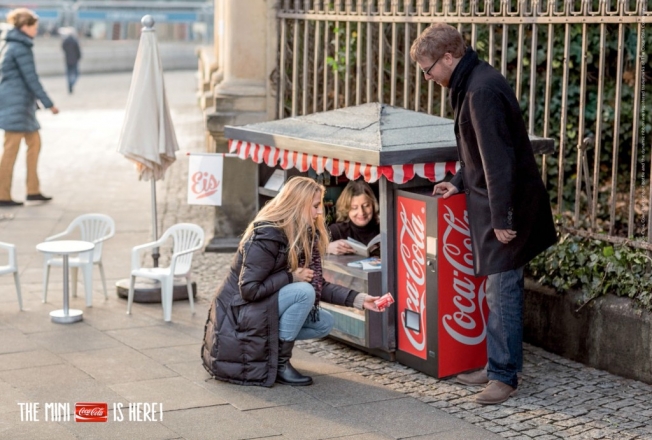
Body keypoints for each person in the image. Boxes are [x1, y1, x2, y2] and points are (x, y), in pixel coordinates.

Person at [410, 24, 556, 405]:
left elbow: (499, 161)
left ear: (448, 57)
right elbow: (477, 151)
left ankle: (504, 377)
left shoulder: (480, 89)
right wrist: (457, 182)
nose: (428, 78)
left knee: (501, 290)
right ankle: (498, 368)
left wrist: (503, 218)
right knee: (496, 290)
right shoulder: (472, 82)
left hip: (507, 209)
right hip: (499, 205)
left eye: (428, 70)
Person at [202, 176, 385, 387]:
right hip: (237, 317)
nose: (319, 212)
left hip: (257, 310)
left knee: (324, 322)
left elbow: (318, 284)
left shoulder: (300, 233)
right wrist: (291, 277)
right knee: (303, 291)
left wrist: (360, 300)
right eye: (315, 206)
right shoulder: (266, 235)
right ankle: (280, 363)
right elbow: (249, 290)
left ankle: (271, 352)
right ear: (298, 204)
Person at [0, 8, 58, 207]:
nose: (36, 30)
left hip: (20, 106)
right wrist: (49, 104)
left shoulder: (11, 43)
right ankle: (2, 194)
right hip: (15, 106)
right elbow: (31, 79)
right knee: (11, 150)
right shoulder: (19, 47)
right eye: (34, 27)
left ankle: (33, 190)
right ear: (25, 26)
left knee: (34, 143)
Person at [327, 179, 380, 255]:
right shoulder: (337, 231)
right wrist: (327, 248)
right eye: (354, 208)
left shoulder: (383, 229)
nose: (361, 212)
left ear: (373, 205)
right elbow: (308, 249)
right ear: (346, 209)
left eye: (366, 206)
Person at [60, 27, 81, 94]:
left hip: (67, 60)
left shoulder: (65, 41)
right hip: (74, 60)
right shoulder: (75, 41)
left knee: (68, 74)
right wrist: (79, 57)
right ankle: (72, 83)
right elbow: (78, 51)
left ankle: (70, 83)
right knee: (76, 74)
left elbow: (63, 48)